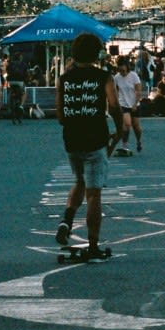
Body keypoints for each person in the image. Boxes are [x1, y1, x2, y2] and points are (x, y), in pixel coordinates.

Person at [53, 33, 121, 252]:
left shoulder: (65, 79)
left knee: (79, 180)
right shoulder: (103, 77)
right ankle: (93, 244)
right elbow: (114, 105)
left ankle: (66, 220)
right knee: (94, 193)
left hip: (72, 139)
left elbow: (61, 116)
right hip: (95, 138)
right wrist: (119, 130)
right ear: (96, 53)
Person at [110, 56, 144, 155]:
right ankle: (125, 145)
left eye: (124, 70)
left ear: (127, 67)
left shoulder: (134, 76)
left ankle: (138, 141)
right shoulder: (116, 77)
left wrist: (135, 104)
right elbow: (115, 91)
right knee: (126, 125)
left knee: (136, 126)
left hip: (134, 103)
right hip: (123, 103)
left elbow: (138, 91)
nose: (122, 72)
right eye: (120, 70)